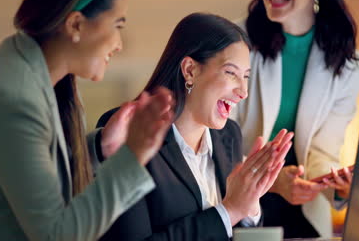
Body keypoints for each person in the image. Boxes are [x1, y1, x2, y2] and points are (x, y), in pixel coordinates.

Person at [0, 0, 175, 240]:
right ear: (76, 24)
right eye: (117, 25)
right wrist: (133, 156)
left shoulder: (23, 65)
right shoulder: (15, 98)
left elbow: (30, 173)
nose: (119, 44)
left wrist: (100, 147)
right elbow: (56, 235)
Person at [95, 13, 294, 241]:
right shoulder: (129, 132)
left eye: (246, 76)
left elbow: (239, 233)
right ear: (190, 70)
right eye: (231, 73)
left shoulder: (229, 135)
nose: (243, 91)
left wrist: (249, 206)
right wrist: (229, 211)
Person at [231, 0, 359, 238]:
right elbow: (217, 144)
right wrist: (271, 180)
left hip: (301, 210)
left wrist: (338, 185)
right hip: (239, 203)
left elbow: (321, 153)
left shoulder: (347, 63)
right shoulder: (235, 42)